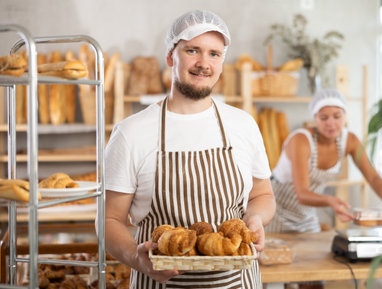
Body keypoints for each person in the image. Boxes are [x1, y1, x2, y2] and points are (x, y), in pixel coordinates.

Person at [99, 9, 276, 289]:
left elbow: (263, 195)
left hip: (237, 283)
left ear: (221, 62)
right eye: (192, 50)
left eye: (214, 54)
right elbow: (108, 220)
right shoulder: (131, 132)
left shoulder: (243, 124)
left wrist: (255, 217)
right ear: (171, 56)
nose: (203, 63)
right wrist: (136, 257)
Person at [265, 88, 382, 288]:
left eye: (337, 116)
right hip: (275, 212)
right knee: (269, 273)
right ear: (315, 118)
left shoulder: (349, 140)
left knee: (312, 277)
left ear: (345, 116)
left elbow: (372, 175)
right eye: (324, 117)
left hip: (306, 214)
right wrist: (331, 201)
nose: (331, 123)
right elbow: (302, 193)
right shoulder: (300, 140)